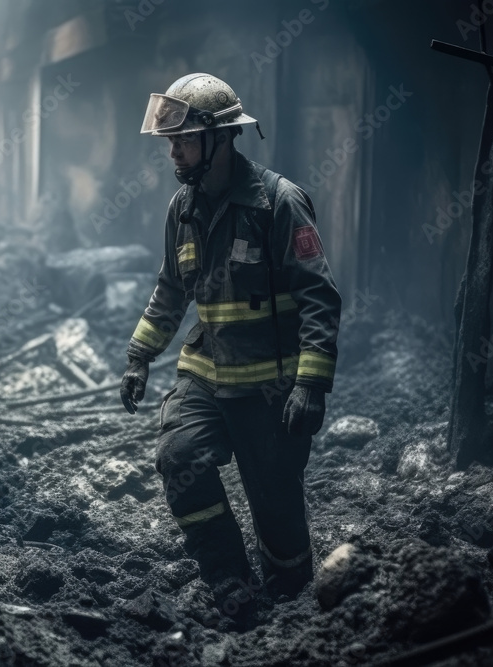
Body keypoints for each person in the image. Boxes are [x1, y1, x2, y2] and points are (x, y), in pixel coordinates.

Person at [119, 73, 342, 627]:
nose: (174, 151)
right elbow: (172, 287)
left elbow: (320, 296)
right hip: (206, 376)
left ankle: (289, 609)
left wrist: (311, 385)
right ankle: (230, 584)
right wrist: (140, 356)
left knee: (283, 537)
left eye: (185, 139)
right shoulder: (183, 208)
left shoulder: (279, 203)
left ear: (221, 138)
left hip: (270, 390)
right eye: (171, 141)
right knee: (179, 458)